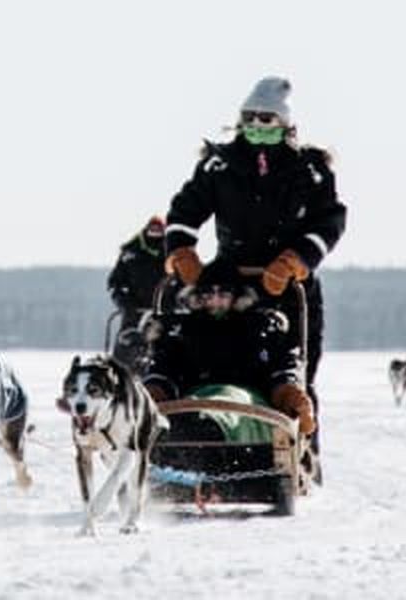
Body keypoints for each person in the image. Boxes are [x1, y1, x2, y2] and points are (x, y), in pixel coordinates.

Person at [162, 76, 346, 446]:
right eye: (250, 117)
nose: (257, 126)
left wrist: (296, 259)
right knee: (203, 360)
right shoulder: (220, 165)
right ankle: (192, 440)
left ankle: (301, 453)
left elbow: (330, 219)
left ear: (285, 124)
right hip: (228, 284)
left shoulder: (309, 170)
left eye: (266, 119)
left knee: (295, 373)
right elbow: (184, 211)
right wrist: (182, 253)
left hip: (289, 286)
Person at [143, 260, 316, 435]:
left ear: (237, 297)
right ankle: (193, 428)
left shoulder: (259, 328)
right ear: (197, 297)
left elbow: (281, 369)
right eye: (208, 294)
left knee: (227, 409)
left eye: (223, 294)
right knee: (185, 411)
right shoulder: (182, 331)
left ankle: (209, 428)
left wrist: (289, 395)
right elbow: (165, 370)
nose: (215, 300)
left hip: (248, 402)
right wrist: (154, 392)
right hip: (192, 399)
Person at [107, 216, 167, 369]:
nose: (155, 233)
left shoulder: (174, 254)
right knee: (124, 356)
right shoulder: (130, 253)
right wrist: (125, 304)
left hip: (166, 314)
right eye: (152, 229)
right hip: (133, 314)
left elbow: (183, 282)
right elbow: (115, 283)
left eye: (159, 229)